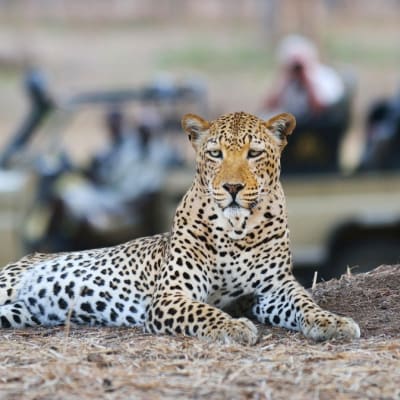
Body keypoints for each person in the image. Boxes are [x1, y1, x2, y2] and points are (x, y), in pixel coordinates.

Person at [262, 35, 352, 173]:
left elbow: (321, 110)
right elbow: (268, 107)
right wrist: (284, 81)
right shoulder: (286, 82)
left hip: (320, 127)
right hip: (293, 129)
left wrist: (307, 81)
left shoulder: (325, 77)